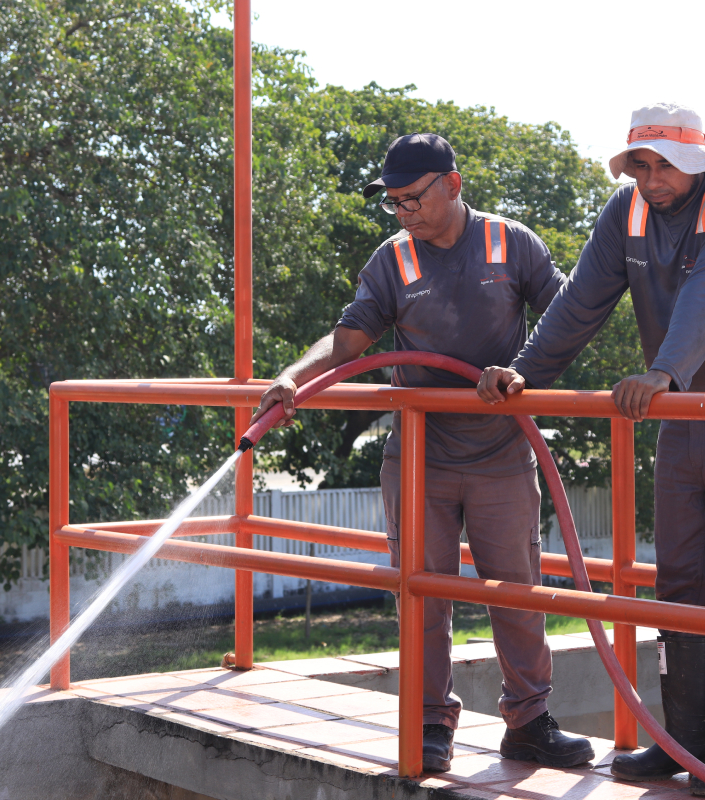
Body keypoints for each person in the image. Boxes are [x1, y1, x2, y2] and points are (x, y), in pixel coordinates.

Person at [477, 103, 705, 796]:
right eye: (640, 165)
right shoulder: (625, 215)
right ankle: (680, 743)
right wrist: (526, 369)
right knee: (679, 579)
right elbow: (581, 301)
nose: (652, 179)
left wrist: (663, 369)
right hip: (678, 410)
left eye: (665, 165)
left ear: (697, 163)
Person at [250, 133, 595, 773]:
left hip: (501, 452)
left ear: (452, 185)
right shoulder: (394, 261)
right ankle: (432, 723)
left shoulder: (511, 243)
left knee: (518, 592)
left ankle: (528, 722)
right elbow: (351, 338)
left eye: (412, 198)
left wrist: (519, 372)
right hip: (417, 460)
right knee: (422, 593)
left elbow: (566, 320)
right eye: (393, 202)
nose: (403, 211)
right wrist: (295, 377)